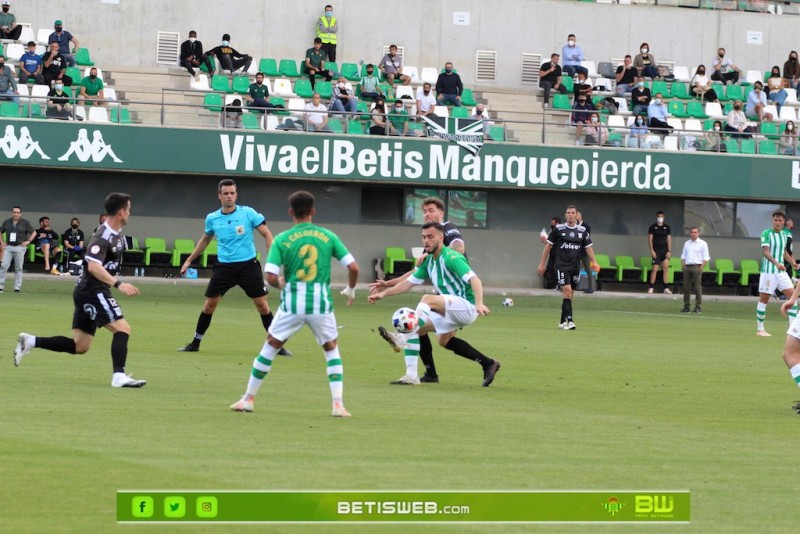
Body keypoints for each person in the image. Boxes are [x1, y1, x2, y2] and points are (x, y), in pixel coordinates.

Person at [230, 190, 358, 416]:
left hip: (293, 303)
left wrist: (281, 283)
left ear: (291, 212)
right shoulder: (328, 236)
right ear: (313, 211)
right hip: (321, 304)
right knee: (331, 349)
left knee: (270, 345)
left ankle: (248, 399)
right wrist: (350, 289)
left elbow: (269, 276)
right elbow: (353, 268)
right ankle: (338, 405)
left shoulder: (281, 239)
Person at [12, 193, 146, 388]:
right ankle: (119, 376)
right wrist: (119, 284)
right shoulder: (103, 236)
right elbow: (92, 266)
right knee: (123, 328)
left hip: (87, 291)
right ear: (121, 211)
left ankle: (31, 341)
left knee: (80, 346)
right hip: (93, 290)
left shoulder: (116, 234)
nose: (130, 213)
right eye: (129, 209)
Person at [369, 222, 500, 387]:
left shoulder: (452, 257)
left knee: (426, 300)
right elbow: (408, 283)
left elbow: (475, 279)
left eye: (430, 237)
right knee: (430, 336)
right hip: (450, 309)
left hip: (467, 306)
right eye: (424, 237)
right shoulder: (429, 261)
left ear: (441, 238)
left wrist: (480, 303)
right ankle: (412, 376)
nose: (426, 241)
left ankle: (401, 338)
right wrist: (384, 293)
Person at [177, 179, 291, 356]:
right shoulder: (212, 218)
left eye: (232, 193)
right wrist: (189, 260)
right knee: (209, 305)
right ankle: (195, 343)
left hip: (248, 266)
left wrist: (272, 261)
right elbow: (205, 239)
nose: (229, 196)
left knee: (262, 305)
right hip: (224, 268)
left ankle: (277, 346)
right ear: (219, 196)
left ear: (236, 195)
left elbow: (267, 234)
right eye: (226, 193)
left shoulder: (248, 213)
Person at [373, 197, 466, 383]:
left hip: (459, 295)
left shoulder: (447, 227)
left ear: (441, 213)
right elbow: (415, 274)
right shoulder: (430, 245)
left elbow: (459, 246)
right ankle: (430, 373)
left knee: (422, 318)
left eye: (431, 210)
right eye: (424, 211)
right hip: (446, 296)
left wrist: (437, 251)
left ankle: (403, 337)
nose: (427, 214)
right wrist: (389, 283)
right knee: (439, 338)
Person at [537, 205, 600, 330]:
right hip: (561, 266)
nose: (570, 215)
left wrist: (594, 262)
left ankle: (562, 321)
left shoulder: (582, 231)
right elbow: (548, 247)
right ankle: (570, 321)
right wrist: (542, 263)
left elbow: (588, 248)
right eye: (568, 213)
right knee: (567, 291)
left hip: (575, 267)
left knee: (570, 294)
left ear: (577, 215)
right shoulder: (558, 230)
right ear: (565, 215)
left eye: (573, 213)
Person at [756, 211, 799, 337]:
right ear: (772, 221)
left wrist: (792, 263)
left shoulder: (785, 234)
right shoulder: (766, 233)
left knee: (793, 298)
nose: (777, 222)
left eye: (780, 220)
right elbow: (766, 252)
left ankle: (791, 331)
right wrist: (776, 263)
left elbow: (784, 252)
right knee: (764, 299)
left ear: (783, 222)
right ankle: (760, 329)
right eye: (775, 220)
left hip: (781, 272)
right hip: (769, 271)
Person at [0, 205, 35, 293]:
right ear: (12, 213)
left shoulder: (25, 222)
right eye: (14, 212)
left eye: (17, 213)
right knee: (4, 266)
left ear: (20, 214)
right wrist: (2, 242)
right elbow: (0, 231)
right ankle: (0, 286)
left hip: (20, 247)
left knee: (18, 268)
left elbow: (34, 232)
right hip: (8, 247)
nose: (16, 214)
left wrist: (28, 241)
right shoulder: (7, 222)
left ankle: (17, 288)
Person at [680, 227, 710, 314]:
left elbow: (706, 257)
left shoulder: (703, 243)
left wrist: (701, 268)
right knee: (686, 287)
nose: (693, 234)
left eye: (695, 232)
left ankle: (698, 307)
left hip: (697, 266)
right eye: (692, 232)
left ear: (698, 233)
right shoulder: (687, 243)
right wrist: (683, 266)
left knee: (697, 288)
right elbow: (683, 255)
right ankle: (686, 306)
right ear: (690, 233)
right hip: (687, 266)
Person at [647, 210, 672, 294]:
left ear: (664, 217)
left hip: (664, 251)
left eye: (661, 216)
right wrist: (651, 250)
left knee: (665, 268)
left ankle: (666, 288)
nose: (660, 218)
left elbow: (669, 239)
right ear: (656, 217)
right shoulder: (652, 227)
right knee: (655, 269)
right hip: (656, 251)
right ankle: (651, 287)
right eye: (659, 216)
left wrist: (669, 251)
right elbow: (650, 239)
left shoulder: (667, 227)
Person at [540, 216, 561, 290]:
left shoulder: (560, 231)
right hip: (552, 253)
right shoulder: (551, 231)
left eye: (553, 224)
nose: (551, 225)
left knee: (557, 269)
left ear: (557, 223)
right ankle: (554, 284)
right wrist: (545, 240)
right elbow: (549, 243)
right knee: (550, 268)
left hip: (559, 253)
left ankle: (559, 285)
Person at [576, 212, 595, 294]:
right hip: (575, 251)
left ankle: (590, 287)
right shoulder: (574, 226)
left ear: (579, 217)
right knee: (574, 268)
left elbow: (586, 239)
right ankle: (573, 285)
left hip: (584, 251)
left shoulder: (586, 226)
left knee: (587, 268)